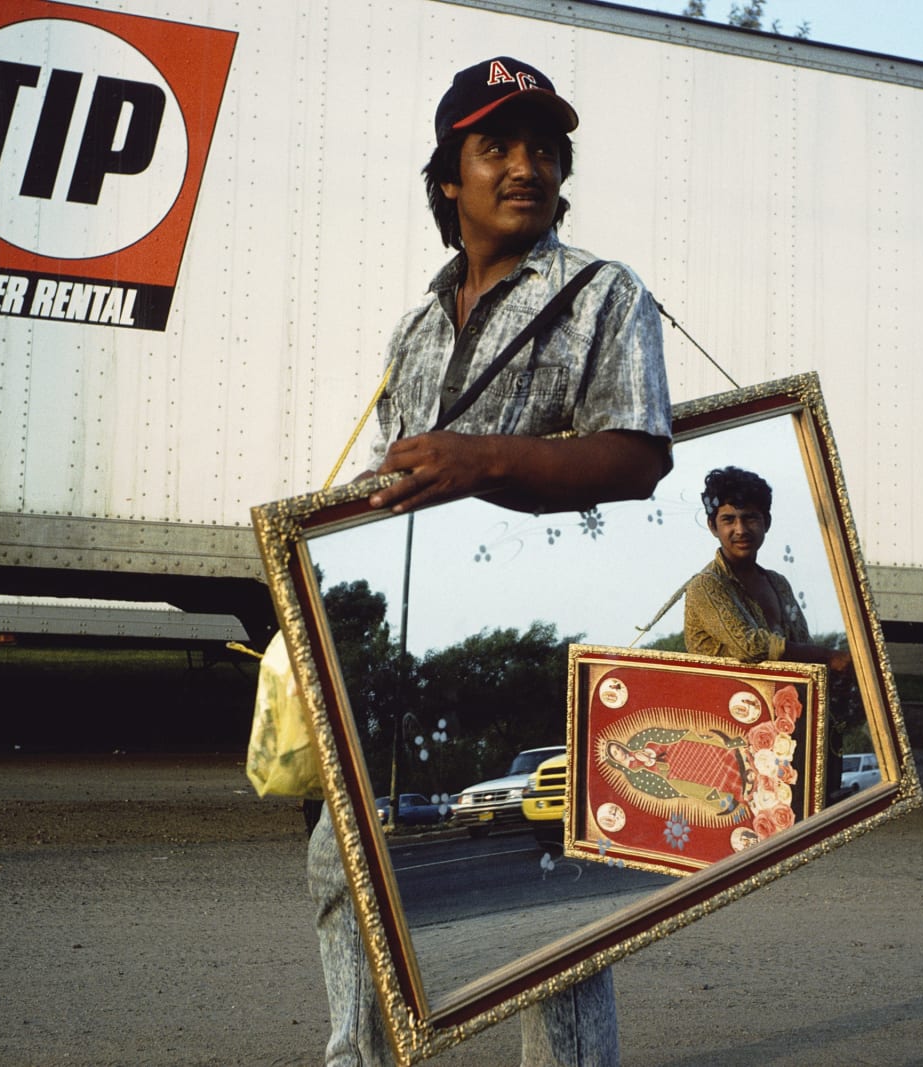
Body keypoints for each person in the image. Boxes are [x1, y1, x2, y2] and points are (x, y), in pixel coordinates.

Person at [307, 57, 673, 1066]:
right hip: (418, 647)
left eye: (546, 148)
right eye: (497, 145)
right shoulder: (413, 328)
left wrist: (481, 460)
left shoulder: (605, 294)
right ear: (447, 178)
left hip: (556, 637)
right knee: (344, 860)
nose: (527, 165)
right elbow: (394, 496)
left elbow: (638, 456)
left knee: (554, 909)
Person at [683, 467, 850, 672]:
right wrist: (828, 656)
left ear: (767, 523)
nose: (741, 530)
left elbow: (803, 641)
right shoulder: (705, 585)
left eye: (750, 518)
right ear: (713, 526)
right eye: (729, 520)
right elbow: (752, 647)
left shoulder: (778, 583)